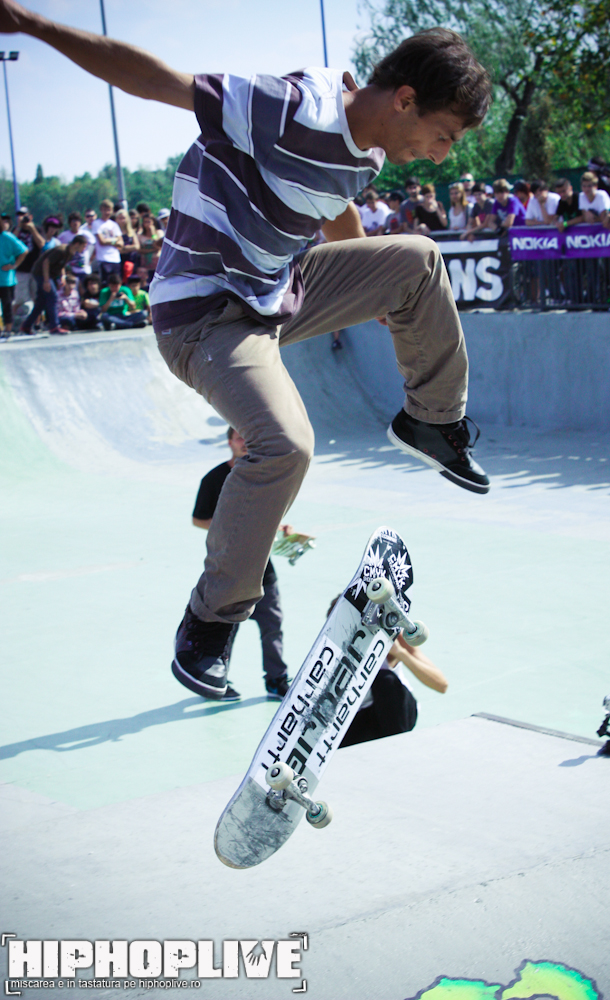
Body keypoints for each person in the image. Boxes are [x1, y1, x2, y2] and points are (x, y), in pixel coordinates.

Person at [1, 6, 493, 701]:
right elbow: (156, 82)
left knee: (414, 260)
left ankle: (432, 422)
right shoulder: (288, 107)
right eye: (443, 136)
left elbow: (332, 202)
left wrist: (369, 285)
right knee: (285, 444)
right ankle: (210, 622)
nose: (442, 155)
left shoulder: (372, 149)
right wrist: (31, 24)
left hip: (276, 292)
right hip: (203, 316)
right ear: (405, 100)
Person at [189, 427, 293, 701]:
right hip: (230, 571)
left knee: (272, 625)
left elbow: (266, 517)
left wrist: (281, 529)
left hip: (263, 571)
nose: (244, 442)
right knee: (225, 630)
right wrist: (235, 527)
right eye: (238, 437)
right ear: (229, 442)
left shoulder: (262, 477)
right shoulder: (214, 479)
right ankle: (217, 681)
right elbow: (198, 519)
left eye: (248, 437)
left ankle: (276, 680)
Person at [322, 595, 447, 747]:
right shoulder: (330, 651)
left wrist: (400, 653)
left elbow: (441, 685)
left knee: (384, 679)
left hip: (396, 711)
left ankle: (399, 746)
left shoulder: (390, 636)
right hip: (360, 718)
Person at [21, 235, 89, 335]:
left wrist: (63, 276)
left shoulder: (70, 253)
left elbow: (62, 265)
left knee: (41, 302)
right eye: (83, 246)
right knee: (53, 297)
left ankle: (26, 325)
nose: (84, 249)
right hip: (41, 273)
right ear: (77, 244)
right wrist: (46, 281)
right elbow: (46, 263)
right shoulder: (61, 250)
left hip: (50, 274)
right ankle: (54, 326)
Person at [12, 207, 44, 321]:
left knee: (37, 298)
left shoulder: (38, 229)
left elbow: (42, 244)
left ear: (30, 217)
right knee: (20, 299)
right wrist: (18, 228)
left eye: (24, 215)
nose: (22, 218)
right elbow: (10, 244)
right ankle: (13, 322)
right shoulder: (15, 230)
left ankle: (37, 323)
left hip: (35, 270)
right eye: (20, 215)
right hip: (21, 269)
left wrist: (32, 229)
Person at [0, 213, 27, 333]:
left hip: (5, 278)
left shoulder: (7, 237)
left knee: (6, 305)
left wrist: (14, 265)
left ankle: (8, 329)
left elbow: (24, 250)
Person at [90, 199, 122, 283]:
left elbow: (121, 243)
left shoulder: (114, 224)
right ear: (101, 210)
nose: (107, 212)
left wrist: (110, 241)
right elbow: (102, 242)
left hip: (115, 259)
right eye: (105, 210)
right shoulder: (96, 223)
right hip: (103, 259)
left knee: (116, 283)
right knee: (105, 283)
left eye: (109, 210)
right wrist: (115, 240)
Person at [59, 211, 96, 279]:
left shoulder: (87, 234)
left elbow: (95, 248)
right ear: (70, 223)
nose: (75, 223)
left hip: (84, 269)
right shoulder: (63, 236)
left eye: (77, 220)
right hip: (70, 269)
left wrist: (90, 260)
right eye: (73, 221)